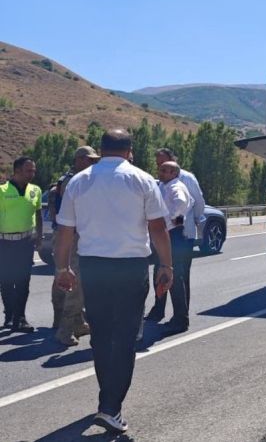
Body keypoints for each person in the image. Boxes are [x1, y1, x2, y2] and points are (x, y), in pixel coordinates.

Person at [54, 128, 172, 433]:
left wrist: (63, 267)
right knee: (126, 337)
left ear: (102, 150)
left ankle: (108, 400)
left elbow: (65, 230)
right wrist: (166, 265)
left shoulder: (79, 181)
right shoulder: (142, 179)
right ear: (129, 150)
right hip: (130, 268)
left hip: (93, 268)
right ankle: (110, 406)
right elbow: (157, 228)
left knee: (102, 336)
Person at [145, 148, 205, 320]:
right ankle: (159, 309)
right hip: (164, 235)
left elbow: (197, 201)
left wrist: (192, 221)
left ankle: (181, 316)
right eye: (158, 166)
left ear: (173, 164)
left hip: (181, 233)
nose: (159, 168)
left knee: (179, 276)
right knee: (161, 272)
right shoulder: (162, 182)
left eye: (163, 165)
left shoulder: (185, 178)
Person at [50, 146, 99, 345]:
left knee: (63, 278)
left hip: (67, 235)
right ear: (79, 160)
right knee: (74, 282)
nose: (93, 164)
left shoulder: (67, 179)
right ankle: (65, 329)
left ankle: (73, 322)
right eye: (90, 160)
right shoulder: (75, 181)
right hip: (73, 236)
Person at [0, 156, 42, 332]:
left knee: (24, 282)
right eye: (28, 170)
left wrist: (39, 237)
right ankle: (9, 316)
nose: (32, 174)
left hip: (25, 243)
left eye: (33, 170)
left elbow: (38, 214)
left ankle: (21, 317)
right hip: (4, 243)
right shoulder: (2, 190)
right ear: (17, 171)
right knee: (7, 281)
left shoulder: (36, 190)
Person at [153, 161, 193, 334]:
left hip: (174, 236)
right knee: (168, 277)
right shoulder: (164, 185)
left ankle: (181, 321)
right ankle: (176, 318)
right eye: (160, 170)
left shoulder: (175, 186)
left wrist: (173, 218)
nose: (160, 173)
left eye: (164, 171)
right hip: (170, 235)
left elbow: (182, 202)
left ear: (174, 173)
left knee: (175, 280)